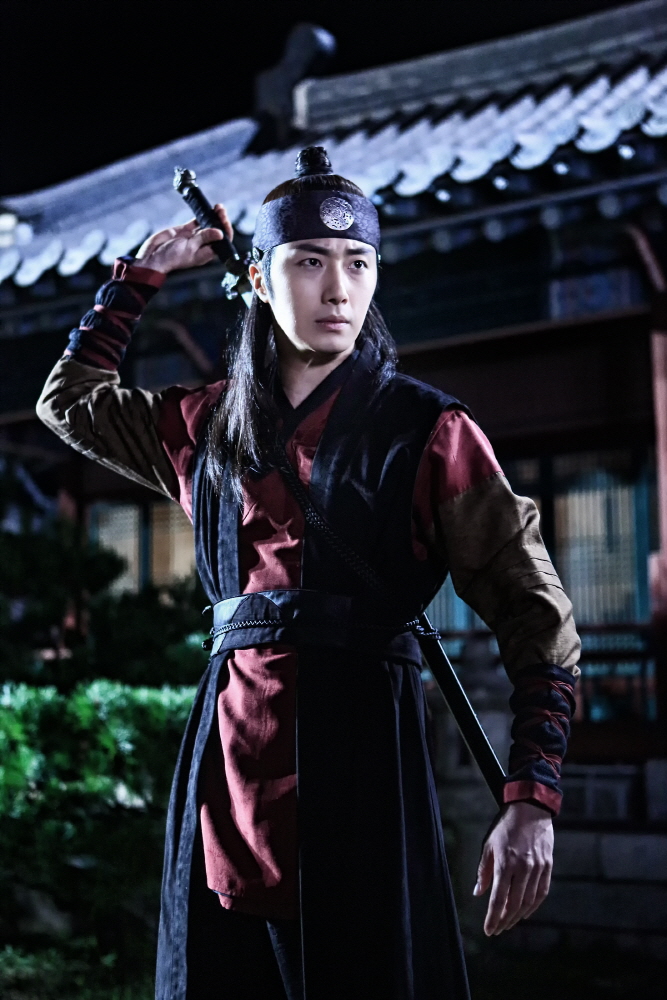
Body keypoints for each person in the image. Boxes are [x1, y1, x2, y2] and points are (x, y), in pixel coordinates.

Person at [37, 146, 580, 1000]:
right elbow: (68, 403)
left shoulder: (429, 430)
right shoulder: (205, 426)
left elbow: (535, 615)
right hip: (225, 761)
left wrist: (531, 797)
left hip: (363, 761)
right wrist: (140, 276)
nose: (338, 289)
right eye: (309, 262)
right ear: (257, 278)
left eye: (358, 263)